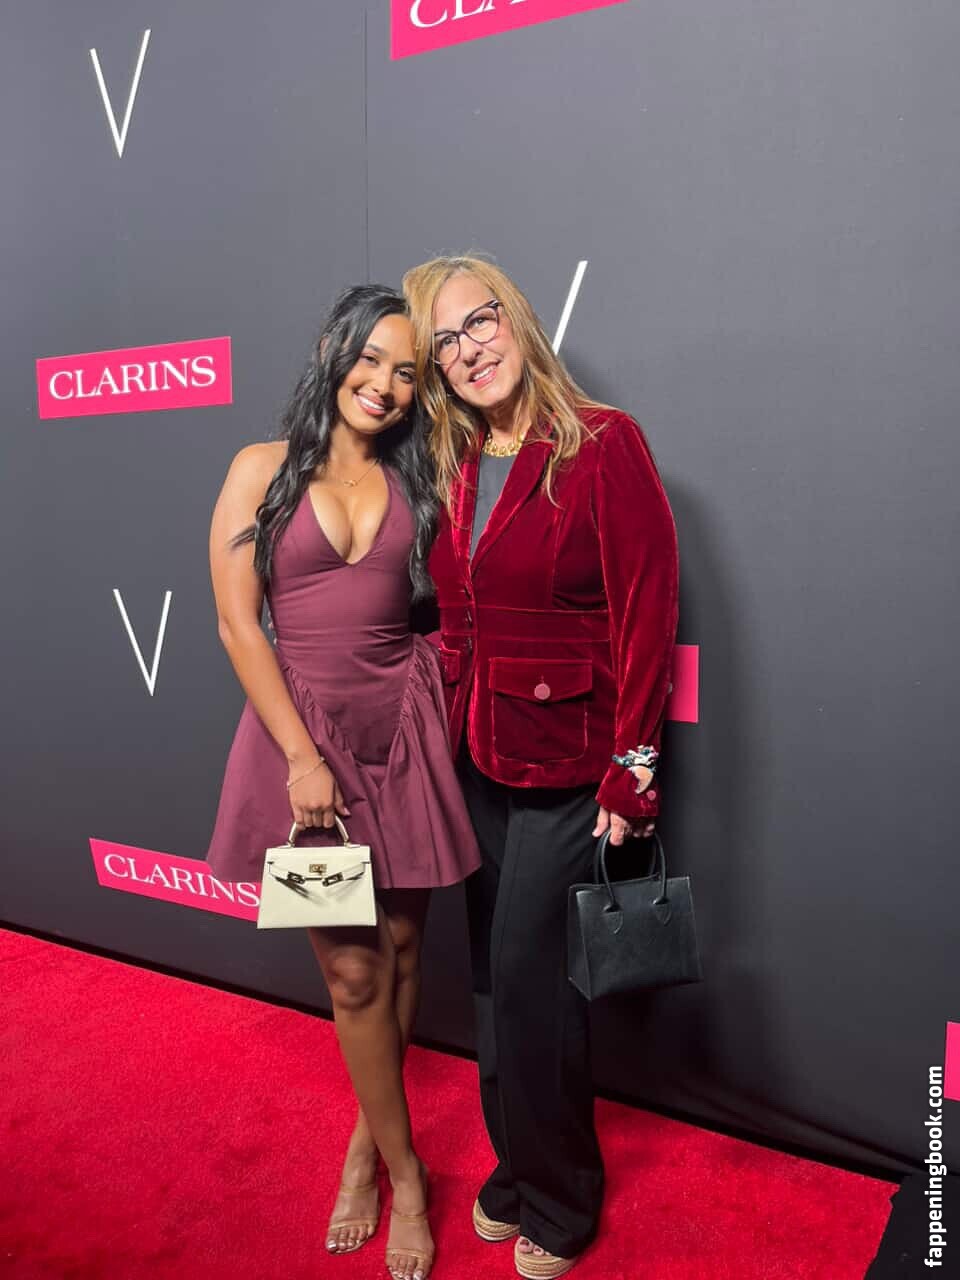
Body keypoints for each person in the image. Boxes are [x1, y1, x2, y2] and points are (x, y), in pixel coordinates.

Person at [403, 256, 679, 1279]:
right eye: (446, 340)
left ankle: (561, 1194)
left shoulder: (604, 443)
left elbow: (648, 608)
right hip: (477, 757)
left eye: (479, 321)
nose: (470, 348)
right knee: (489, 978)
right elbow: (454, 618)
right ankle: (517, 1166)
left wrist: (633, 771)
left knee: (533, 983)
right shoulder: (458, 460)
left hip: (571, 764)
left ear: (515, 318)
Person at [205, 284, 480, 1280]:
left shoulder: (423, 475)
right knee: (354, 972)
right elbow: (238, 623)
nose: (385, 384)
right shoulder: (260, 468)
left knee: (403, 951)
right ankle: (406, 1174)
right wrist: (300, 755)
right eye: (371, 359)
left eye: (407, 372)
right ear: (332, 348)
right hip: (307, 734)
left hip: (403, 724)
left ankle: (368, 1142)